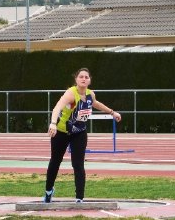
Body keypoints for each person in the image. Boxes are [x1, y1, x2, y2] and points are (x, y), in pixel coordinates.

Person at [42, 68, 121, 204]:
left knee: (78, 164)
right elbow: (57, 107)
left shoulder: (90, 94)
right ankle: (49, 191)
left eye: (86, 77)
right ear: (76, 79)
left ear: (89, 80)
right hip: (61, 132)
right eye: (81, 77)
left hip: (79, 133)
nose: (83, 79)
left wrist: (112, 112)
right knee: (55, 161)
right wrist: (53, 123)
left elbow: (95, 104)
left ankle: (79, 198)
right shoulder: (71, 94)